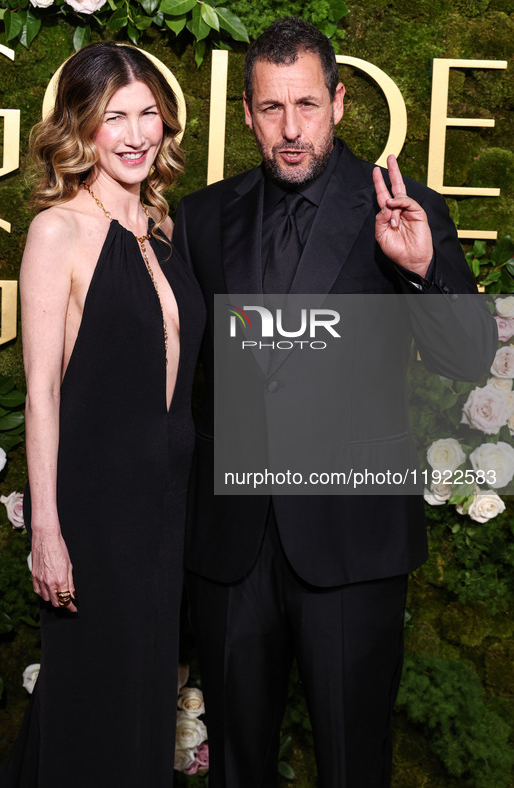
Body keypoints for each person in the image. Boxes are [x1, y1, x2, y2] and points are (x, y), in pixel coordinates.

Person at [173, 17, 497, 788]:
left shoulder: (401, 208)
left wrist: (421, 271)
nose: (291, 130)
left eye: (307, 106)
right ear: (246, 113)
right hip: (231, 547)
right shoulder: (200, 219)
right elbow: (183, 379)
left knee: (354, 765)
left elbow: (468, 358)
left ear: (340, 104)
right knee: (235, 771)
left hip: (353, 542)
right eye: (272, 108)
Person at [0, 42, 204, 787]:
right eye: (115, 116)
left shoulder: (167, 232)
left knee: (144, 709)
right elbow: (41, 390)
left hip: (167, 512)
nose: (137, 133)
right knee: (94, 709)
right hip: (98, 514)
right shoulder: (58, 231)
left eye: (148, 113)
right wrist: (46, 530)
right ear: (80, 128)